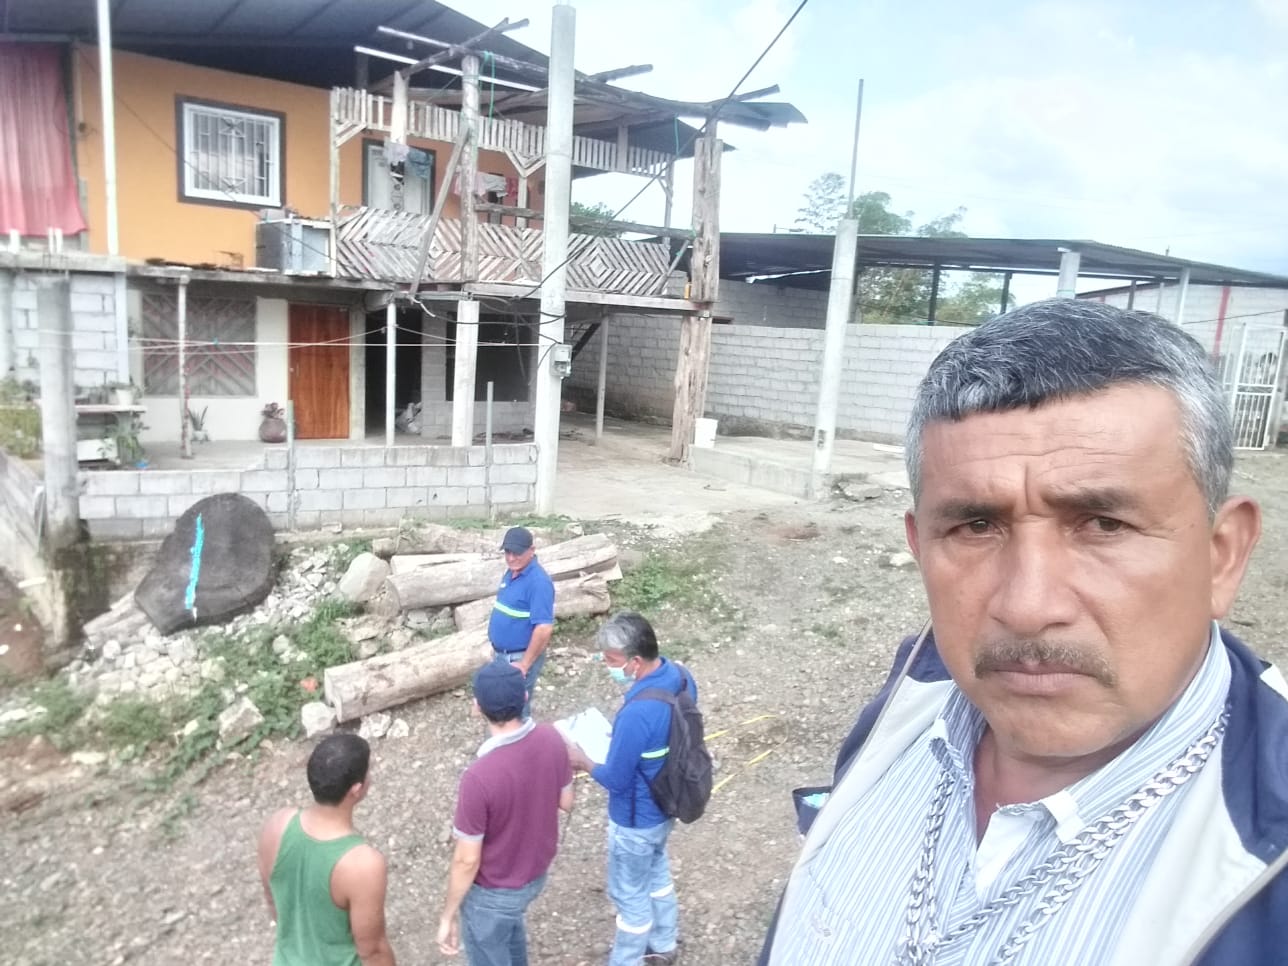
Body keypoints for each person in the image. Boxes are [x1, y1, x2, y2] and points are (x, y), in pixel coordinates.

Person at [758, 298, 1287, 965]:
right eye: (976, 526)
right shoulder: (907, 705)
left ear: (1222, 555)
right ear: (921, 548)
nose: (1028, 606)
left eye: (1104, 525)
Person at [567, 611, 699, 966]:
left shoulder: (637, 712)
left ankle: (627, 959)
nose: (608, 666)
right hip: (667, 805)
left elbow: (615, 779)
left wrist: (582, 760)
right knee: (656, 872)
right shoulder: (680, 676)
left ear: (636, 661)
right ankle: (664, 942)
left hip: (635, 820)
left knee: (629, 895)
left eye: (612, 660)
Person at [437, 661, 575, 965]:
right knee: (509, 932)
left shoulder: (478, 777)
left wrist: (448, 915)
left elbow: (466, 860)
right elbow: (567, 801)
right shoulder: (552, 737)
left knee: (490, 944)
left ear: (477, 707)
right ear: (524, 697)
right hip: (534, 874)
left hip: (494, 891)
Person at [257, 733, 397, 966]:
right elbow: (372, 951)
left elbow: (274, 901)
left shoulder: (278, 825)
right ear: (356, 789)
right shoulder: (363, 864)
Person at [488, 526, 556, 717]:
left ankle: (519, 734)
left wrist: (525, 664)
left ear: (531, 550)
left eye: (517, 553)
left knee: (516, 707)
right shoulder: (512, 572)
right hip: (502, 655)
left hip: (518, 658)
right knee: (501, 702)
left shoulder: (538, 583)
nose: (511, 558)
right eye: (507, 552)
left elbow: (543, 628)